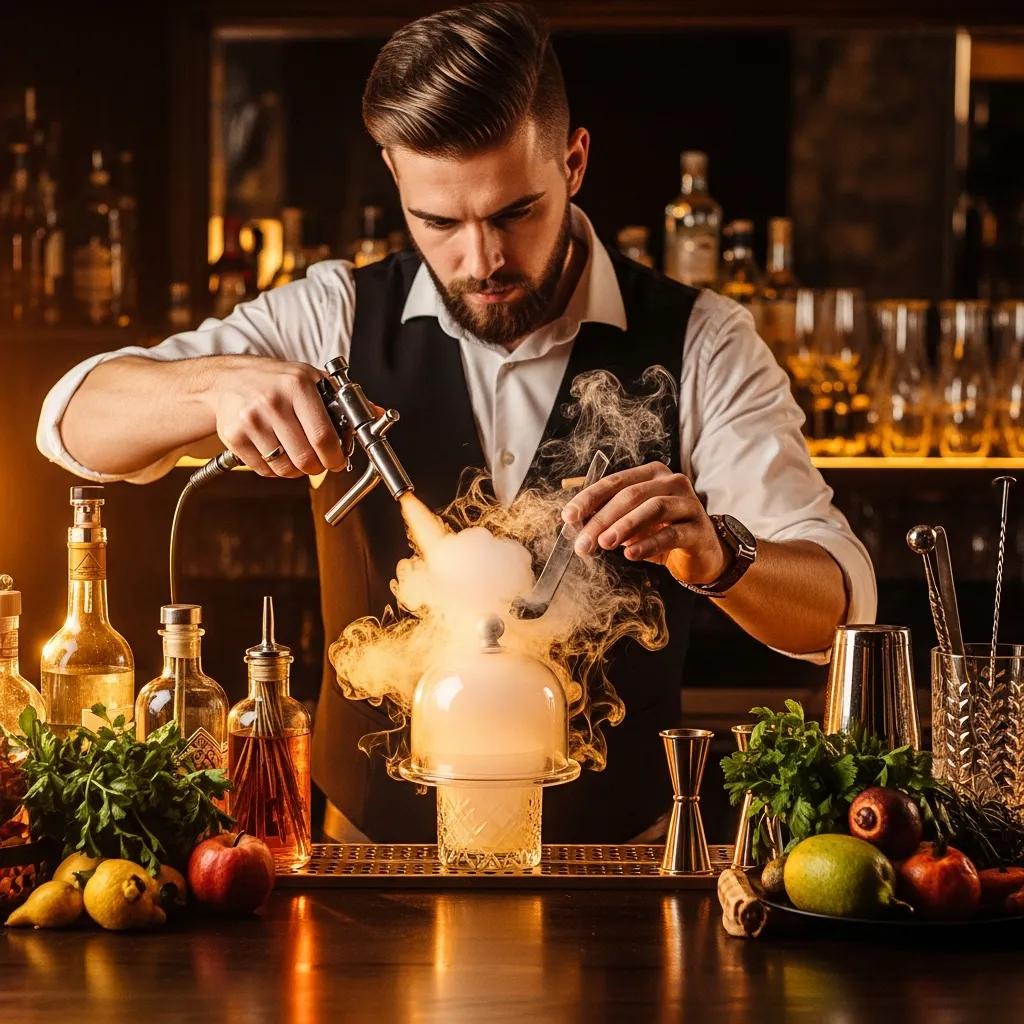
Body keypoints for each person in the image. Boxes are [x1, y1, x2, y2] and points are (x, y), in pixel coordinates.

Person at [37, 2, 875, 844]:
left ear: (575, 161)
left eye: (516, 211)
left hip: (620, 875)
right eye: (439, 222)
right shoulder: (334, 316)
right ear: (395, 179)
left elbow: (839, 608)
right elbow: (70, 422)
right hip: (365, 868)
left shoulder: (703, 340)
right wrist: (219, 384)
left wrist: (722, 555)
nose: (482, 263)